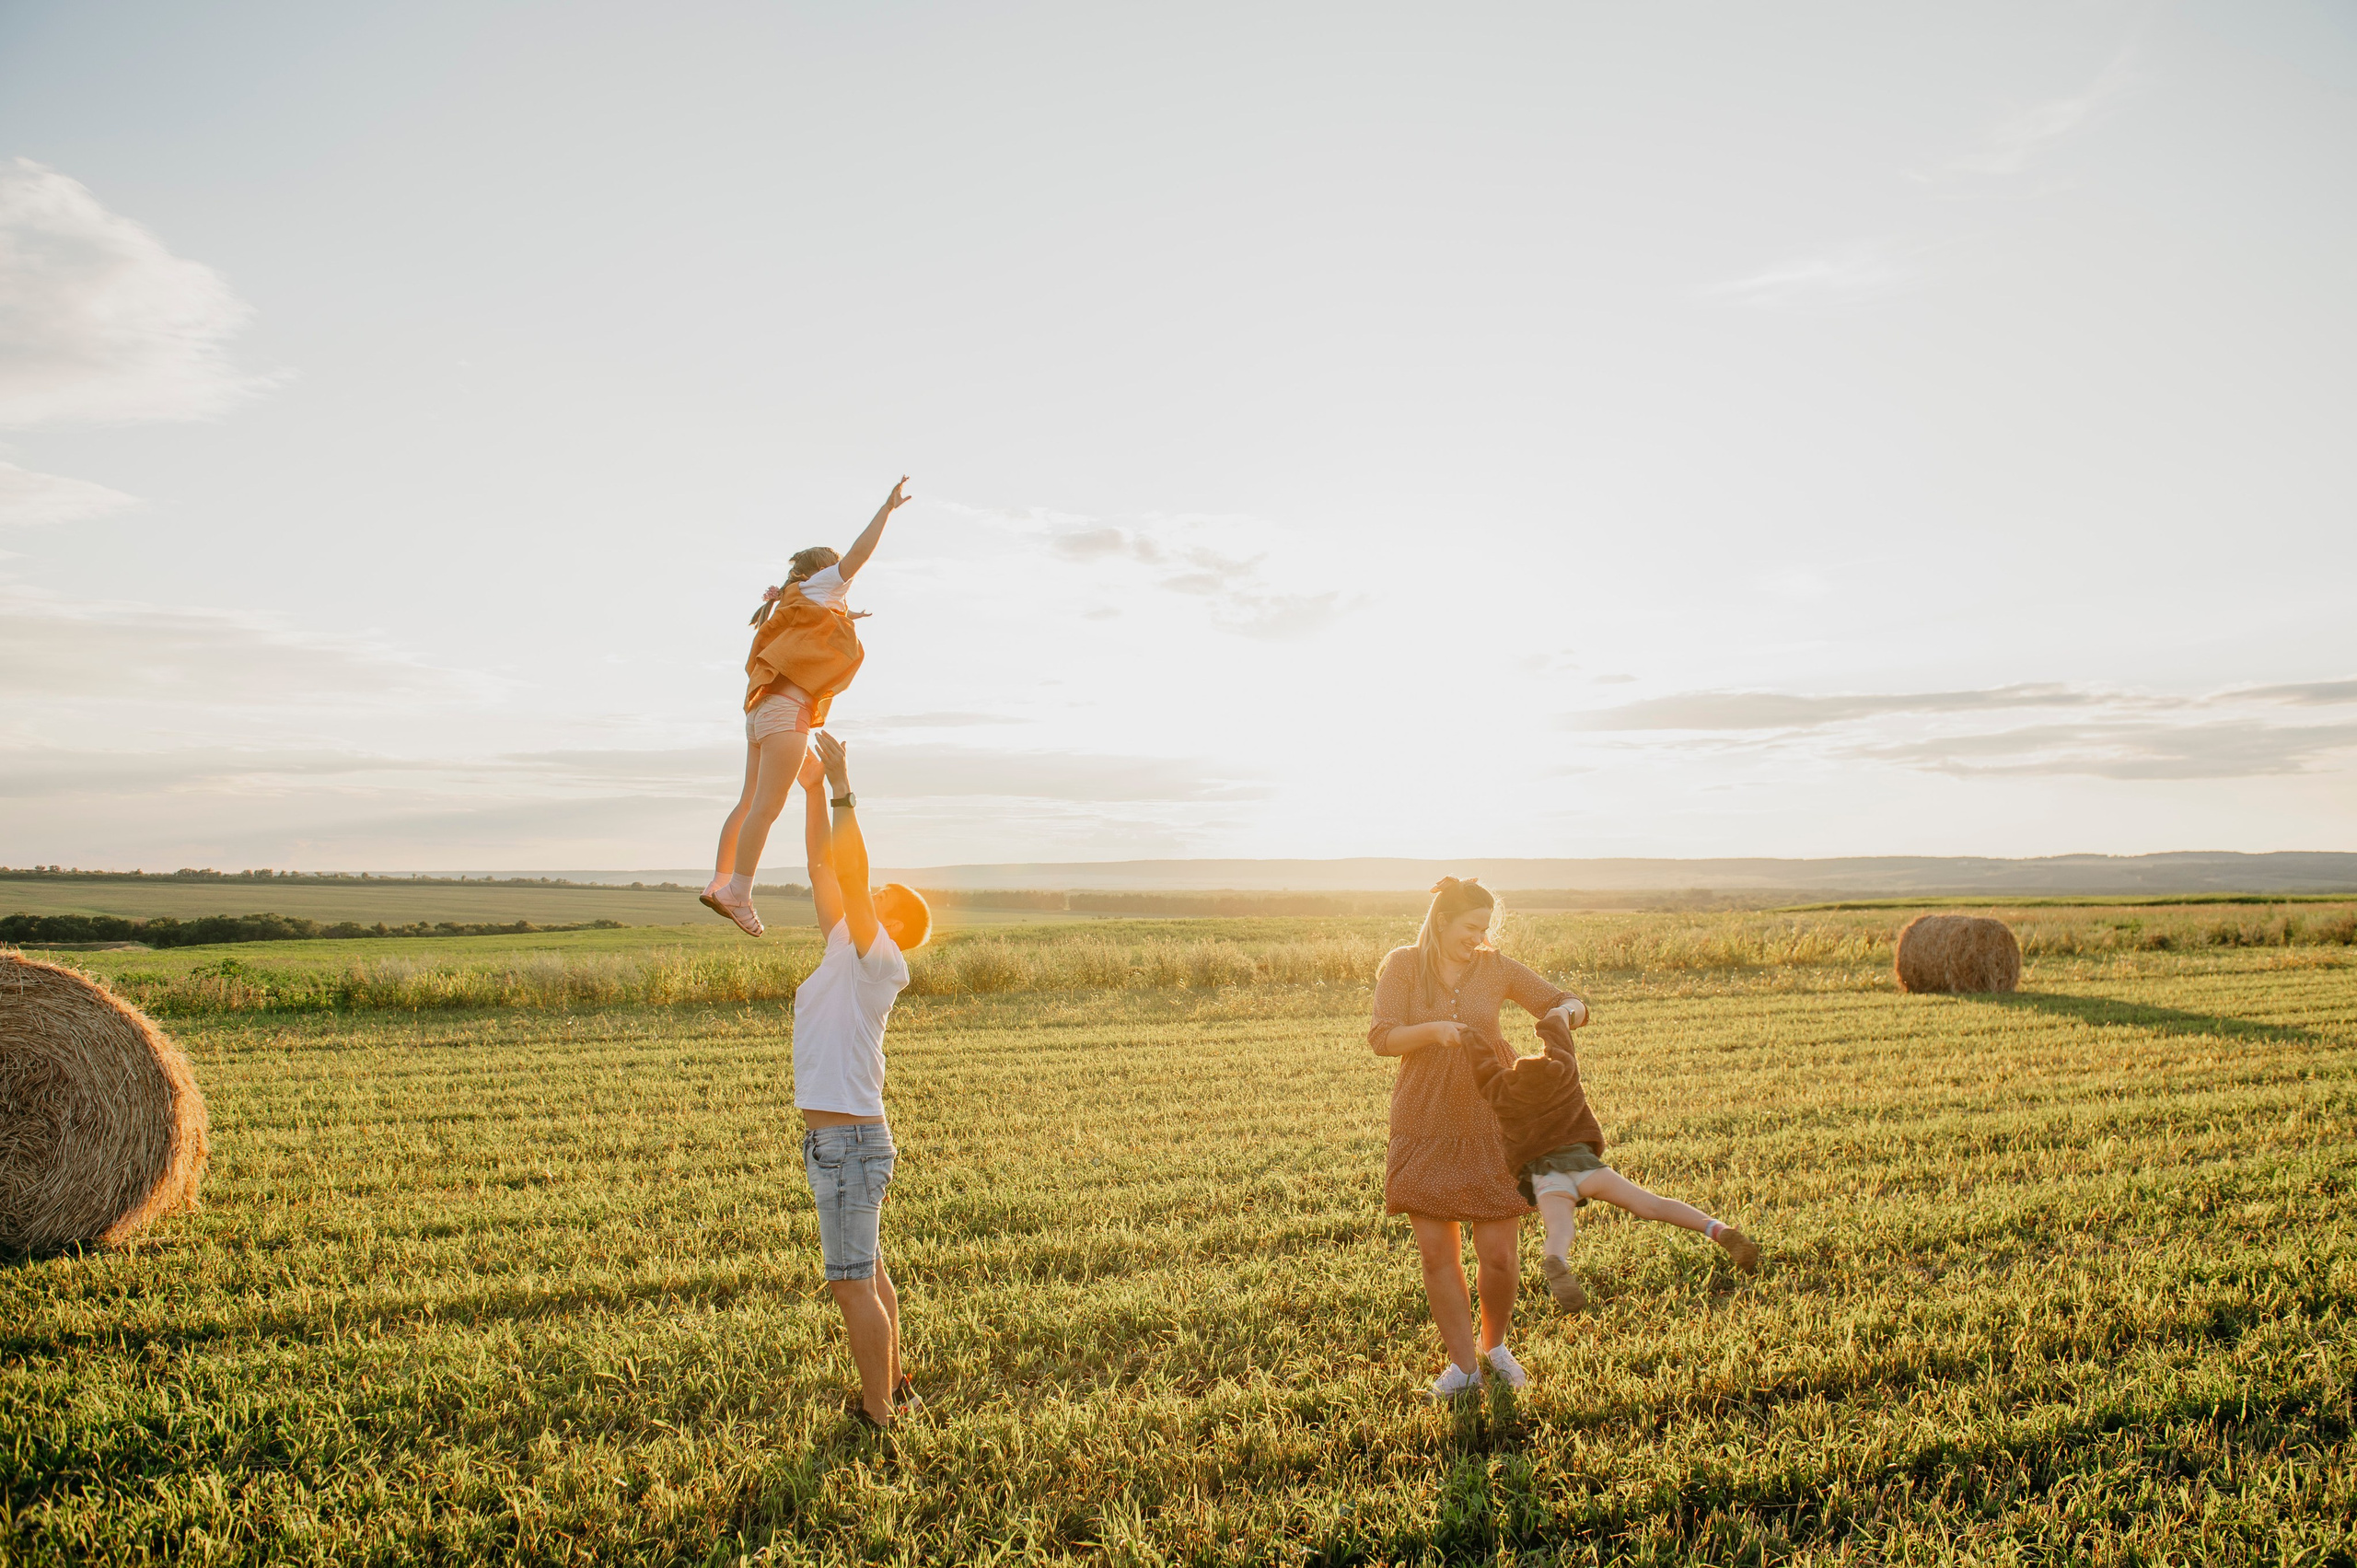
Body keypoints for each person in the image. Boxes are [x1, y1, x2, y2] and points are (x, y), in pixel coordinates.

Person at [1366, 877, 1583, 1400]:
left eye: (1486, 928)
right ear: (1442, 921)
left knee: (1499, 1254)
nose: (1480, 938)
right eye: (1471, 927)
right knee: (1437, 1255)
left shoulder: (1495, 966)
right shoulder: (1403, 965)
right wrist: (1434, 1031)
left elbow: (1565, 1000)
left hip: (1493, 1116)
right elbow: (1381, 1036)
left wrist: (1563, 1014)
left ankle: (1495, 1347)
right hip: (1425, 1118)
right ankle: (1463, 1369)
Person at [791, 731, 935, 1430]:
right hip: (840, 1142)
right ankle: (895, 1389)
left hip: (847, 1143)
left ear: (893, 920)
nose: (865, 894)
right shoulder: (842, 947)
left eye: (878, 895)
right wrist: (812, 788)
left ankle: (878, 1415)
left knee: (851, 1285)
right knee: (869, 1274)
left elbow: (849, 874)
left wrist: (844, 787)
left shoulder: (879, 958)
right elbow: (825, 867)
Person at [703, 477, 914, 936]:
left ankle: (720, 881)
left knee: (748, 802)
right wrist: (886, 511)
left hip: (761, 712)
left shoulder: (793, 596)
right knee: (768, 807)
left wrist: (847, 615)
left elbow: (810, 626)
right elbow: (859, 554)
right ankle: (738, 893)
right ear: (825, 569)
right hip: (787, 712)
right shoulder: (824, 583)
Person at [1466, 1009, 1759, 1316]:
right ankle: (1717, 1229)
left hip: (1547, 1176)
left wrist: (1469, 1036)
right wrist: (1554, 1021)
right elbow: (1562, 1046)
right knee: (1651, 1205)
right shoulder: (1563, 1075)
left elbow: (1485, 1068)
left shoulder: (1504, 1092)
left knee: (1560, 1229)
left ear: (1513, 1076)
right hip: (1586, 1168)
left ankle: (1557, 1260)